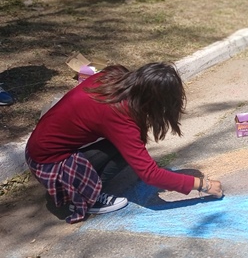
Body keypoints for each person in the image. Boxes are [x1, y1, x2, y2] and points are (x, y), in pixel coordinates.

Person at [25, 63, 224, 224]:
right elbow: (151, 175)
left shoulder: (114, 75)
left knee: (128, 147)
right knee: (126, 150)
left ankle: (82, 183)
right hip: (50, 163)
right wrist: (203, 185)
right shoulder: (119, 115)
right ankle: (84, 195)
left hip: (39, 148)